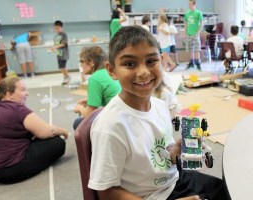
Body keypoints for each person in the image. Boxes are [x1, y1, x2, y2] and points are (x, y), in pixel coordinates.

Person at [88, 26, 226, 200]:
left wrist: (174, 153)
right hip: (152, 196)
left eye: (151, 61)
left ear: (161, 61)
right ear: (111, 70)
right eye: (130, 64)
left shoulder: (160, 106)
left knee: (225, 189)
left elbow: (160, 157)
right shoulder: (110, 126)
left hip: (174, 180)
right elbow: (107, 192)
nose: (144, 72)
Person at [0, 76, 68, 184]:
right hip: (9, 169)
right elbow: (46, 131)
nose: (27, 93)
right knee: (57, 142)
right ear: (9, 94)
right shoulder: (17, 109)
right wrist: (63, 131)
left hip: (0, 166)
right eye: (22, 90)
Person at [73, 46, 121, 130]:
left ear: (91, 62)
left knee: (78, 123)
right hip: (122, 114)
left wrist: (80, 108)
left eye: (82, 61)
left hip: (115, 121)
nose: (81, 65)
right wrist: (90, 100)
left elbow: (89, 114)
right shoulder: (108, 72)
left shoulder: (95, 78)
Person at [50, 20, 71, 85]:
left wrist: (55, 47)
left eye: (58, 28)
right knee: (61, 67)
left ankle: (67, 77)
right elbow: (56, 45)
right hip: (59, 54)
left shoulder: (64, 35)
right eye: (55, 28)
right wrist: (53, 48)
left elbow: (64, 44)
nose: (56, 30)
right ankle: (65, 77)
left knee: (63, 66)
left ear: (61, 27)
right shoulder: (56, 36)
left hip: (64, 54)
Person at [184, 0, 203, 70]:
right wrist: (185, 32)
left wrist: (198, 33)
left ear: (194, 4)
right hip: (189, 34)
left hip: (195, 34)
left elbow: (201, 23)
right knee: (190, 49)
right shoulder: (187, 13)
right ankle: (191, 63)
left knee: (196, 49)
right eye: (189, 4)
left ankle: (198, 63)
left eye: (191, 4)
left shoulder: (198, 13)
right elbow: (185, 23)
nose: (189, 5)